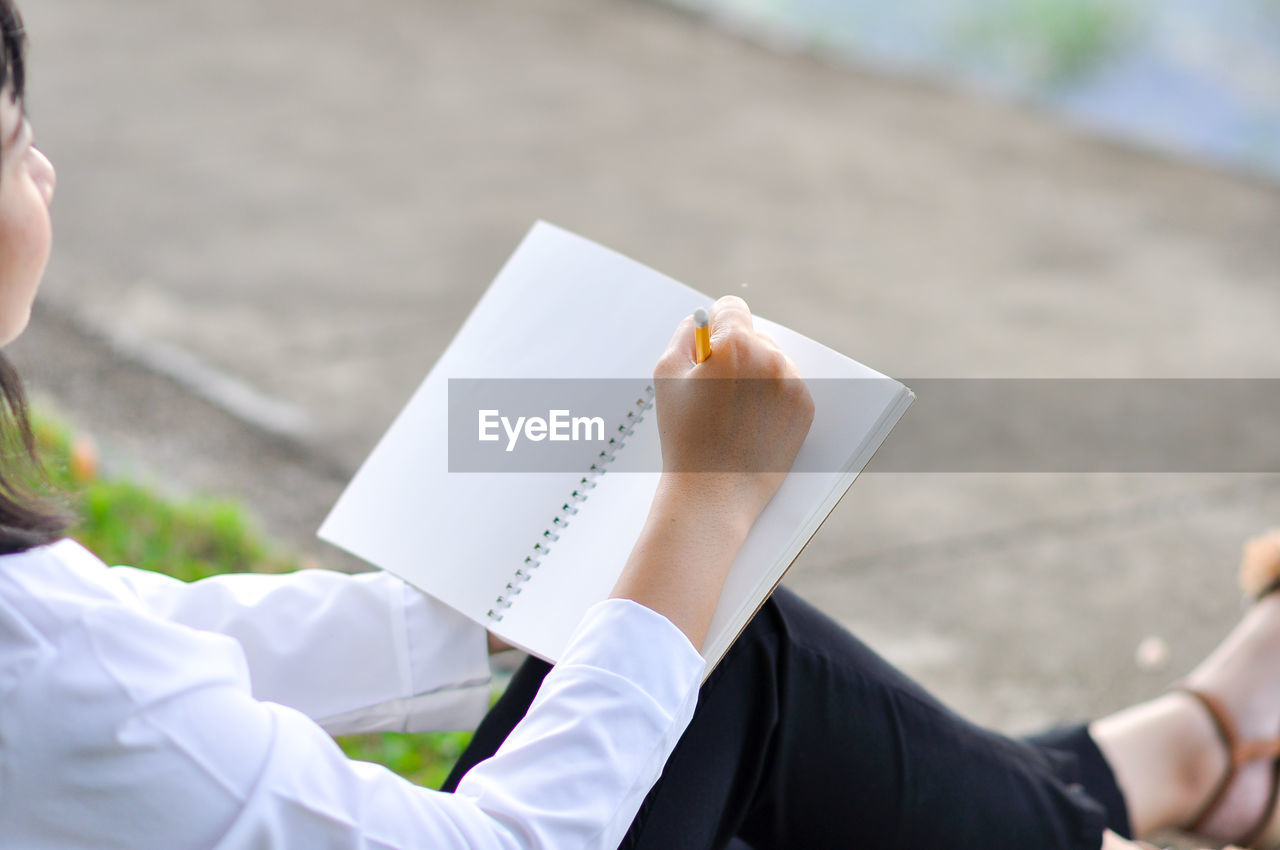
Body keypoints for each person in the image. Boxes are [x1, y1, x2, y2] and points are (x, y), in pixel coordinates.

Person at [0, 2, 1276, 848]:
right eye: (12, 149)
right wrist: (703, 506)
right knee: (717, 662)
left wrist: (491, 612)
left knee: (690, 675)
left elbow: (147, 643)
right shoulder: (47, 667)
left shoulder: (48, 640)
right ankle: (1176, 766)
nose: (48, 171)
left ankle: (1179, 758)